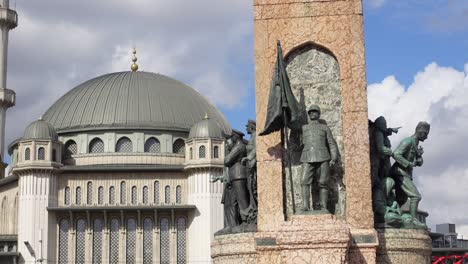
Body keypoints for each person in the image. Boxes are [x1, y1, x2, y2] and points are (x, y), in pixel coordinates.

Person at [389, 121, 430, 227]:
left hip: (406, 174)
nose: (426, 137)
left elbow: (417, 163)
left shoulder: (416, 145)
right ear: (420, 132)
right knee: (416, 196)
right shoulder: (408, 141)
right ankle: (414, 220)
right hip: (399, 173)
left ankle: (394, 218)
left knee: (401, 200)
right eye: (426, 134)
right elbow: (396, 154)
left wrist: (419, 158)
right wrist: (408, 164)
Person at [299, 104, 338, 212]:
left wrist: (334, 157)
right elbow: (300, 143)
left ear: (318, 114)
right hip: (307, 157)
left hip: (323, 156)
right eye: (310, 112)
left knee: (323, 182)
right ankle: (305, 206)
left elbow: (331, 143)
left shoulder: (325, 128)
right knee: (304, 181)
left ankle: (324, 207)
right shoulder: (304, 128)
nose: (312, 113)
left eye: (314, 111)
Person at [242, 120, 257, 209]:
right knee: (250, 186)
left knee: (252, 185)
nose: (246, 128)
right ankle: (252, 205)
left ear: (251, 127)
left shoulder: (255, 136)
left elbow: (256, 148)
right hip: (249, 164)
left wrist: (249, 157)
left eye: (247, 126)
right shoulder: (252, 136)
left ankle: (253, 205)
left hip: (252, 163)